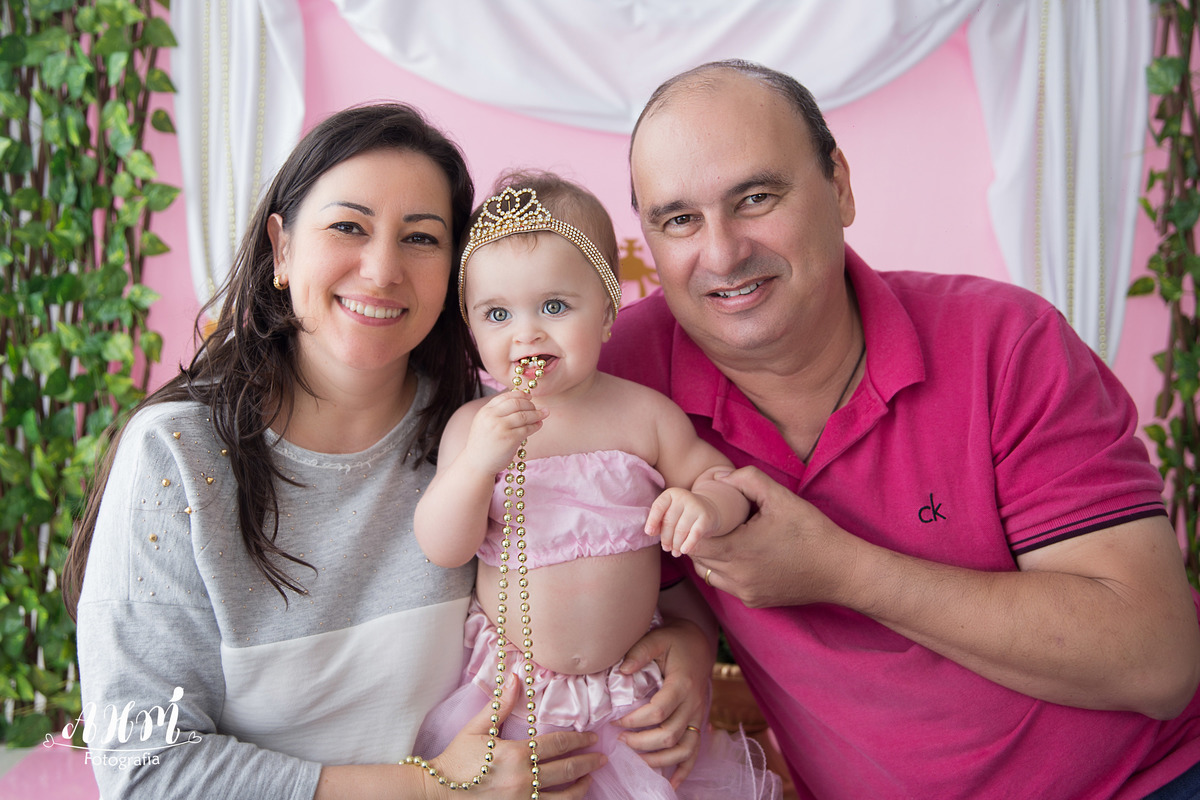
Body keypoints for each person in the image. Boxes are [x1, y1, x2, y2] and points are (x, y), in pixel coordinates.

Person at [62, 103, 710, 800]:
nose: (381, 269)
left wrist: (691, 645)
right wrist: (430, 789)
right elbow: (144, 768)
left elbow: (625, 549)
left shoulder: (495, 426)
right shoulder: (178, 455)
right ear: (282, 248)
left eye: (421, 238)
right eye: (348, 226)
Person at [599, 59, 1200, 800]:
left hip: (1147, 783)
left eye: (755, 198)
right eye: (679, 220)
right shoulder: (619, 381)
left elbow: (1158, 662)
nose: (722, 253)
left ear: (839, 186)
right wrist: (689, 641)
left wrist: (841, 570)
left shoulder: (1005, 343)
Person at [411, 170, 780, 799]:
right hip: (512, 698)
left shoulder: (643, 415)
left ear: (607, 311)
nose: (526, 333)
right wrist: (476, 466)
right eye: (497, 314)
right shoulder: (474, 426)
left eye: (554, 307)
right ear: (471, 327)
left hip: (628, 695)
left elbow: (722, 480)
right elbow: (443, 546)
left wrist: (704, 505)